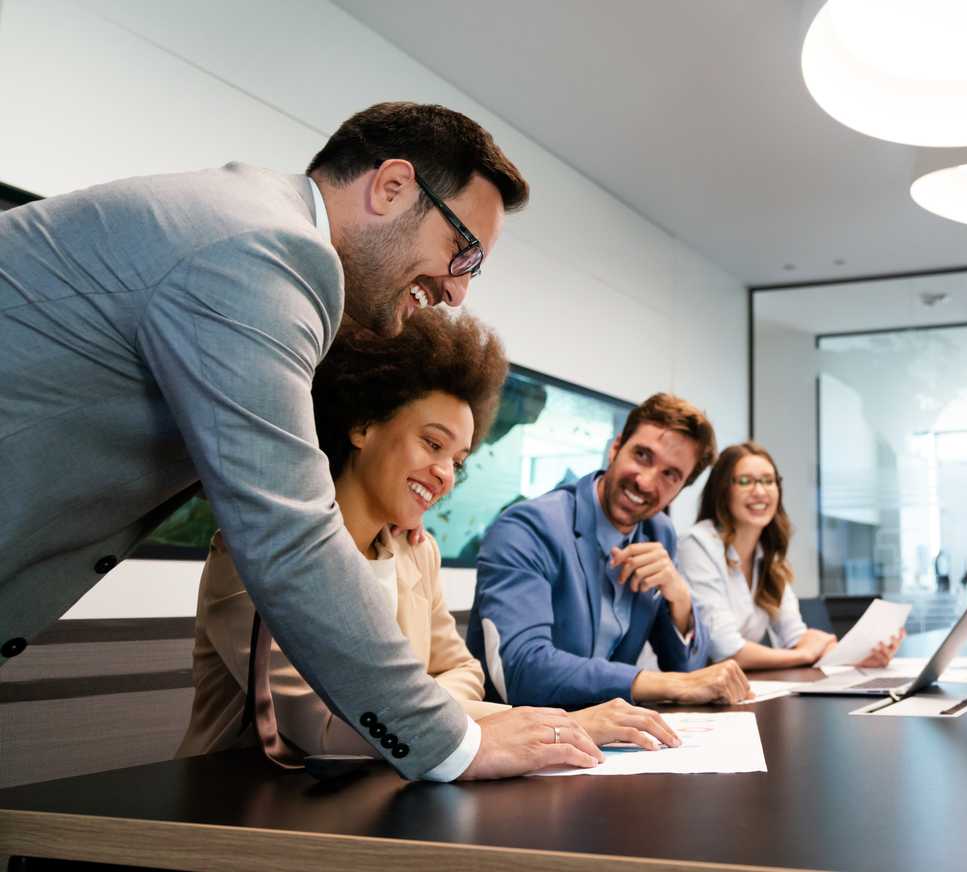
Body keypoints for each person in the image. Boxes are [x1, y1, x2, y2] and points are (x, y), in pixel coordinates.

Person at [0, 101, 599, 781]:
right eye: (462, 250)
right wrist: (456, 745)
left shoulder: (248, 225)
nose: (458, 289)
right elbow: (287, 534)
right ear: (392, 186)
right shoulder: (268, 251)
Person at [176, 311, 678, 761]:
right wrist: (552, 724)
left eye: (457, 461)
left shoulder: (418, 553)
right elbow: (325, 730)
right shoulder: (256, 551)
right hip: (238, 812)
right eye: (432, 443)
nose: (444, 474)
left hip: (387, 791)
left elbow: (462, 669)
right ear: (362, 424)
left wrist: (421, 706)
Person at [469, 393, 752, 709]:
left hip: (608, 737)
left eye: (670, 475)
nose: (646, 482)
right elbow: (522, 672)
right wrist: (655, 682)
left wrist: (680, 599)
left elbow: (689, 672)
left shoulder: (659, 533)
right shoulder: (528, 528)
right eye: (643, 455)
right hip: (524, 739)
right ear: (616, 447)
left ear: (680, 489)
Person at [680, 442, 904, 669]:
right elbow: (726, 651)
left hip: (728, 688)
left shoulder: (768, 557)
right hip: (676, 693)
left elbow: (796, 636)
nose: (759, 491)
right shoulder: (697, 544)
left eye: (768, 481)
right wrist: (803, 656)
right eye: (745, 481)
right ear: (722, 490)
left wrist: (858, 658)